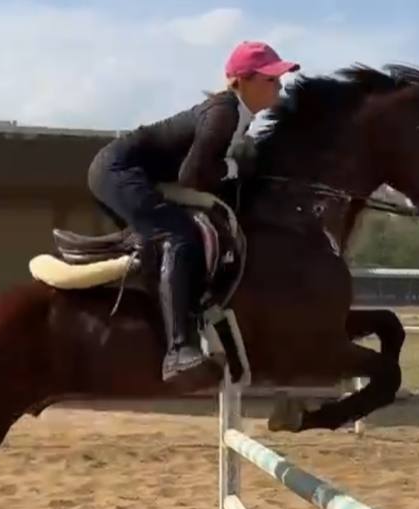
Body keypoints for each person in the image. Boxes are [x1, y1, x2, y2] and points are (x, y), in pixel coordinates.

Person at [86, 41, 299, 383]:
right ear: (241, 81)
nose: (280, 85)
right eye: (270, 79)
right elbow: (193, 175)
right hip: (118, 172)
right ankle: (178, 352)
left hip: (131, 174)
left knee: (188, 234)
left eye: (279, 78)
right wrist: (235, 167)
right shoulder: (225, 112)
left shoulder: (236, 115)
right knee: (179, 235)